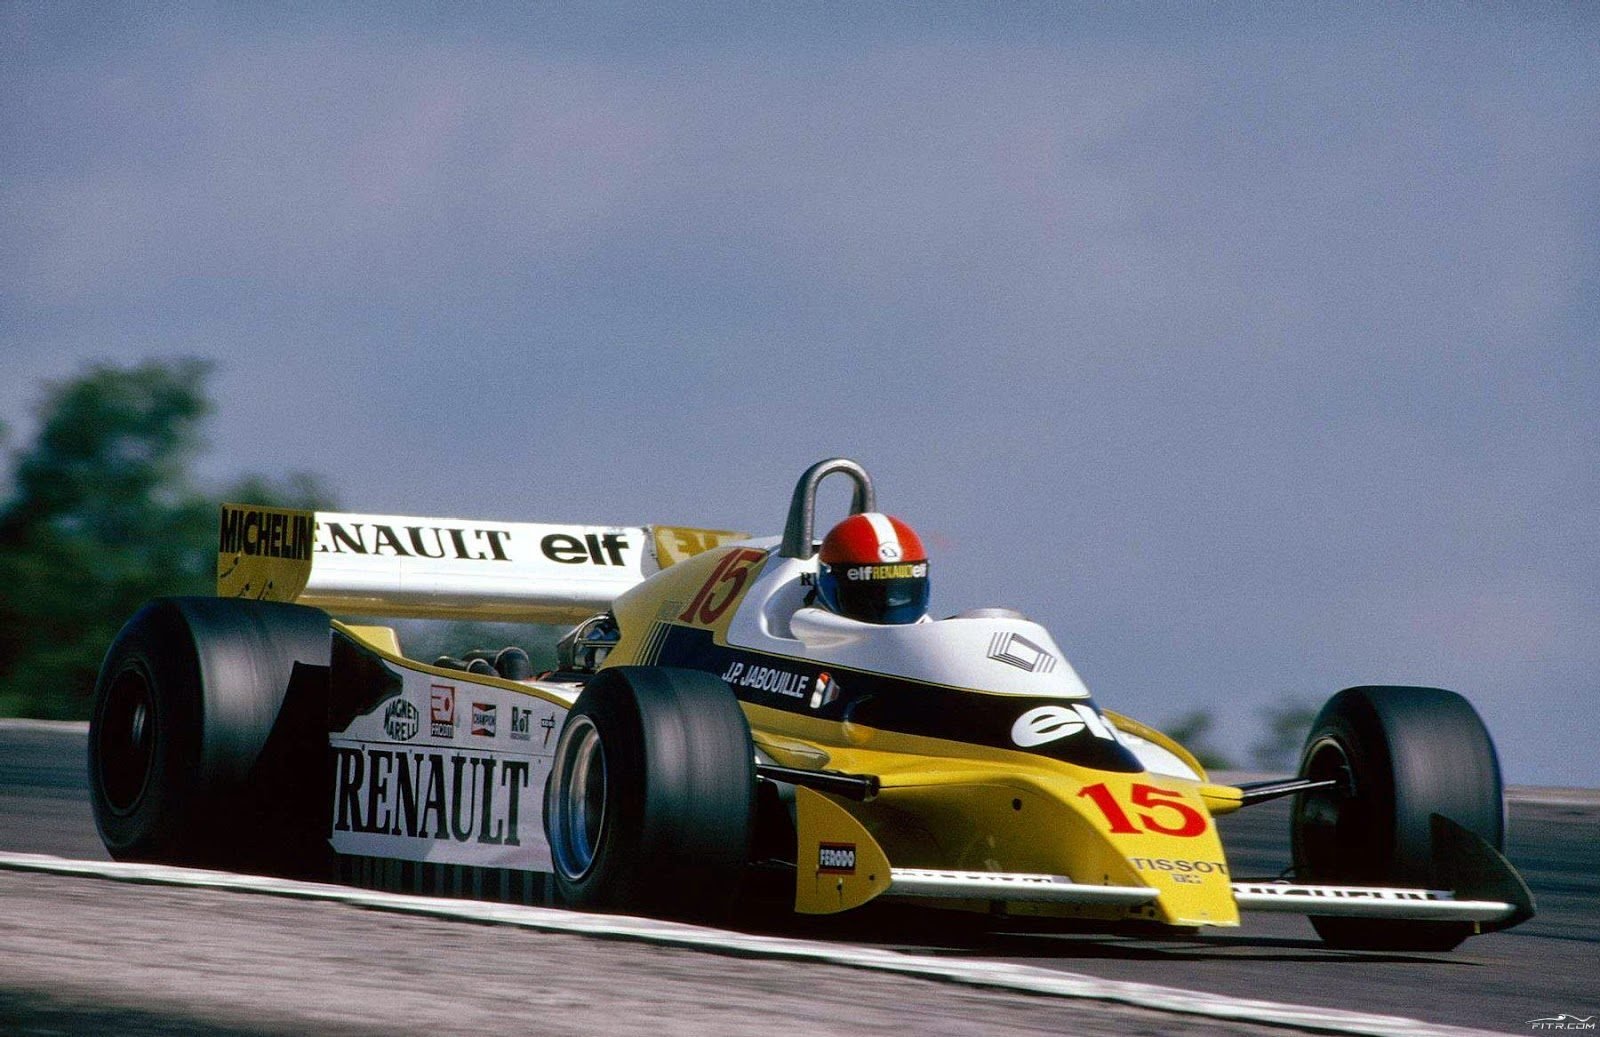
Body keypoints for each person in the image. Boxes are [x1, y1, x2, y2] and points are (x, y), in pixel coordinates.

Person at [814, 512, 930, 624]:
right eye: (864, 598)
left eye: (899, 595)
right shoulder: (805, 625)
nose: (888, 603)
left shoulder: (927, 632)